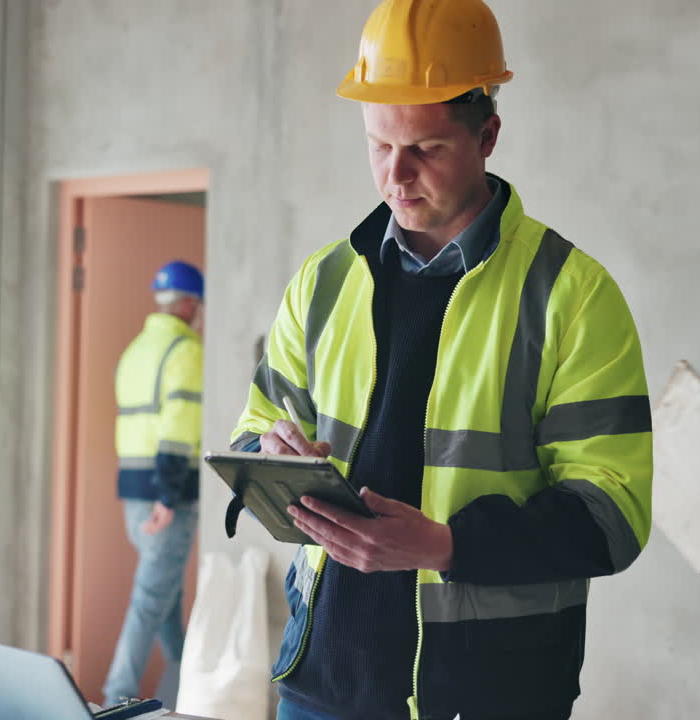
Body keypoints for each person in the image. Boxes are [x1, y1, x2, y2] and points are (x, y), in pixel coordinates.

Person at [227, 2, 653, 717]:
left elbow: (612, 516)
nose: (396, 176)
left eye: (425, 148)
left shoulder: (572, 297)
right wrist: (269, 458)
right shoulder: (323, 281)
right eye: (378, 146)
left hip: (491, 693)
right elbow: (249, 438)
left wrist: (446, 546)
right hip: (321, 681)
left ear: (487, 134)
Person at [103, 260, 205, 707]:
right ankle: (116, 697)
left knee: (165, 599)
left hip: (134, 492)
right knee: (150, 601)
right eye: (197, 303)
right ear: (186, 303)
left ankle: (184, 688)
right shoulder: (185, 352)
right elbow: (178, 429)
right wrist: (168, 493)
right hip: (169, 498)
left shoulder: (136, 351)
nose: (198, 312)